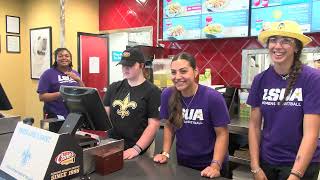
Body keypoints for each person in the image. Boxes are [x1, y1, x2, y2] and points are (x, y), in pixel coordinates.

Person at [247, 20, 320, 180]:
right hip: (267, 163)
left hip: (301, 165)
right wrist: (255, 166)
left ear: (297, 47)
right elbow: (253, 126)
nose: (277, 46)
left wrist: (295, 175)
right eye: (273, 40)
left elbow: (311, 134)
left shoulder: (313, 79)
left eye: (286, 41)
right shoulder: (260, 79)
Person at [153, 52, 231, 179]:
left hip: (212, 163)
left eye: (183, 71)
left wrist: (215, 165)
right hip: (184, 163)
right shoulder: (167, 94)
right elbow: (169, 125)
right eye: (173, 72)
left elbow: (222, 134)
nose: (177, 77)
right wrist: (165, 153)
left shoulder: (213, 97)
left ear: (195, 72)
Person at [103, 47, 161, 160]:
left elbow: (153, 125)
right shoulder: (114, 87)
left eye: (130, 65)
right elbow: (105, 117)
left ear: (141, 65)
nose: (125, 68)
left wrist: (136, 148)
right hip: (113, 145)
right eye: (123, 65)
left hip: (139, 149)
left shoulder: (153, 91)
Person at [37, 48, 84, 132]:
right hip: (54, 116)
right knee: (55, 141)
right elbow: (42, 97)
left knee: (71, 141)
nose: (64, 58)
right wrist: (63, 93)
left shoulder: (75, 73)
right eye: (60, 56)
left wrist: (79, 80)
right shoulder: (48, 74)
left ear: (70, 58)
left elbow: (83, 92)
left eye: (67, 56)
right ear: (56, 59)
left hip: (73, 116)